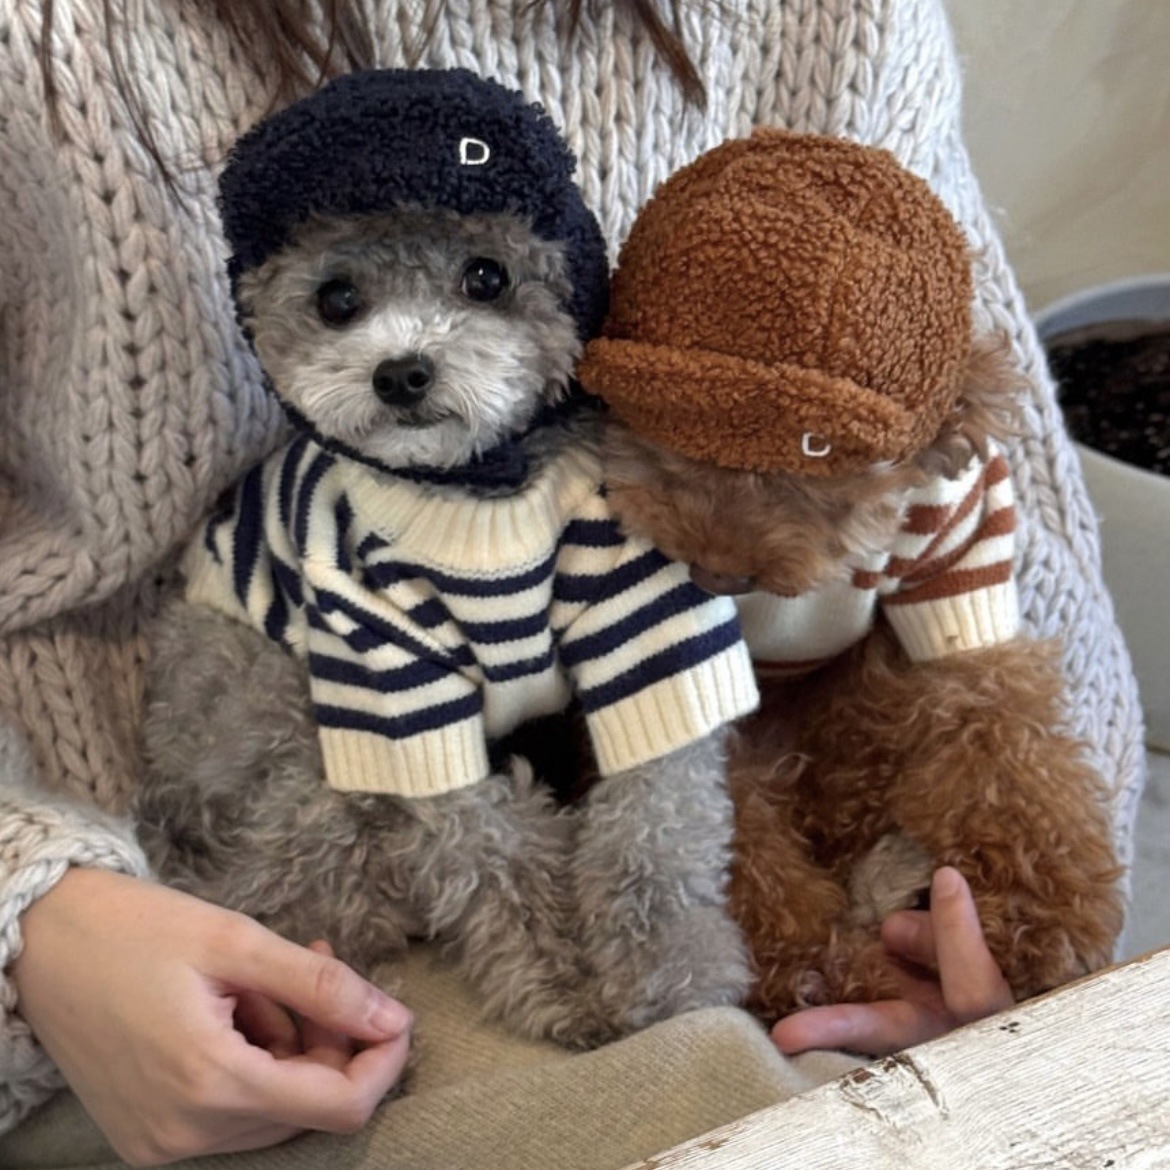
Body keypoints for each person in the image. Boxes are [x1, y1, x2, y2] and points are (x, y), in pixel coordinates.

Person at [0, 1, 1143, 1167]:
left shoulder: (841, 21)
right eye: (342, 304)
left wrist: (1005, 942)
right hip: (158, 890)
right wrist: (32, 900)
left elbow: (998, 513)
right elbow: (425, 781)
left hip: (721, 778)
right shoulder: (46, 44)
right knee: (721, 1105)